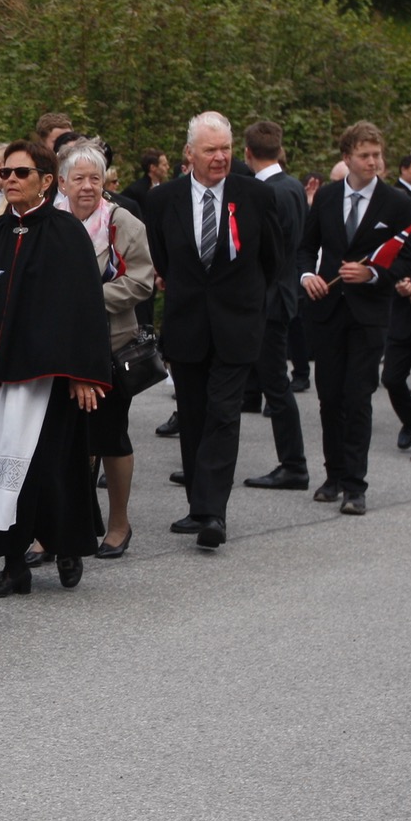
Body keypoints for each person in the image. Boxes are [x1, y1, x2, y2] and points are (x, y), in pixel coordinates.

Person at [0, 139, 112, 596]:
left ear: (46, 181)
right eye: (5, 173)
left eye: (21, 173)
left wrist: (84, 372)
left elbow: (84, 306)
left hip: (48, 376)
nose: (10, 180)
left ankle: (66, 547)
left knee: (49, 470)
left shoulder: (65, 232)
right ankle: (12, 565)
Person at [143, 112, 280, 547]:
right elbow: (162, 259)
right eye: (210, 150)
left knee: (223, 415)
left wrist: (255, 308)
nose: (220, 157)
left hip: (237, 326)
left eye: (225, 149)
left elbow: (272, 260)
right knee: (196, 416)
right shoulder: (164, 199)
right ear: (190, 153)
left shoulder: (254, 196)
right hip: (187, 327)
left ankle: (213, 514)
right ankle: (197, 506)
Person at [298, 121, 411, 514]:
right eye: (364, 155)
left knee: (357, 396)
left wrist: (373, 273)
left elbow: (406, 260)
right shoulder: (328, 198)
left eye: (377, 155)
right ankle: (333, 475)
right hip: (328, 311)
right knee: (329, 397)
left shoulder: (397, 203)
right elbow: (304, 248)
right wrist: (307, 276)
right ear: (346, 157)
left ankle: (355, 485)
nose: (373, 162)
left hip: (369, 315)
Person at [59, 140, 156, 558]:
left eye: (94, 178)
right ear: (61, 183)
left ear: (105, 182)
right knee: (60, 441)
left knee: (110, 437)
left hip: (109, 348)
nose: (86, 186)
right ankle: (59, 526)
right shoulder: (52, 223)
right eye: (78, 178)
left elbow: (141, 282)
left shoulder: (123, 223)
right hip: (59, 351)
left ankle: (119, 524)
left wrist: (85, 298)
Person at [240, 121, 312, 491]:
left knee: (275, 385)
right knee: (265, 381)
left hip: (267, 300)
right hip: (281, 295)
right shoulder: (294, 186)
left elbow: (261, 252)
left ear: (248, 153)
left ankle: (294, 464)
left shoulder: (265, 193)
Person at [383, 189, 411, 462]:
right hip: (404, 316)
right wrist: (401, 285)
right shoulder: (403, 238)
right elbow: (390, 267)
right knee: (391, 377)